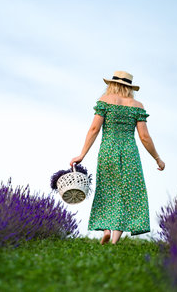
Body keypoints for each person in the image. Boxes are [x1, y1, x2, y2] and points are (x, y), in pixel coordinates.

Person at [70, 71, 165, 245]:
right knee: (126, 194)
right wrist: (157, 158)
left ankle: (106, 230)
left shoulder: (105, 102)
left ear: (112, 84)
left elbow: (94, 129)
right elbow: (144, 136)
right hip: (130, 153)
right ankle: (114, 241)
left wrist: (82, 154)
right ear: (130, 87)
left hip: (108, 151)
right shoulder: (137, 105)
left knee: (106, 191)